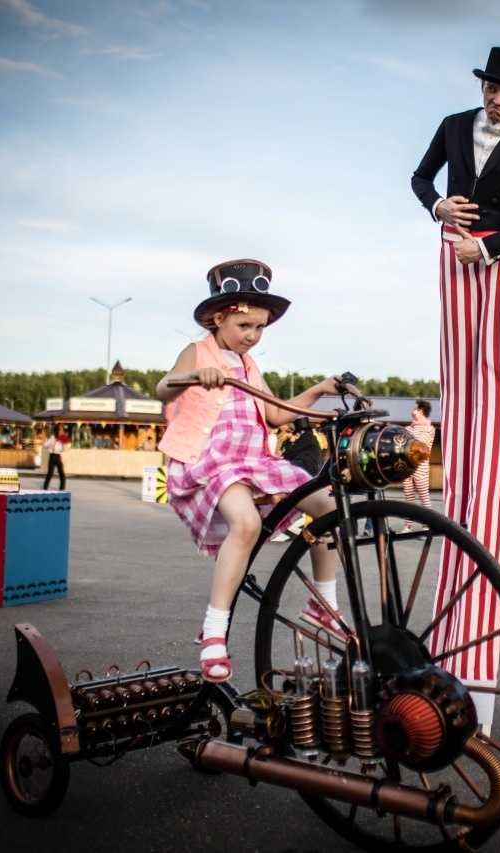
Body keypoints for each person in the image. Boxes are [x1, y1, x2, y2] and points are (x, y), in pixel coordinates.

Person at [410, 45, 500, 730]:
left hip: (499, 257)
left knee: (495, 366)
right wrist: (438, 206)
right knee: (455, 369)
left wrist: (492, 246)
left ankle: (495, 439)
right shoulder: (450, 124)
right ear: (484, 86)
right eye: (494, 88)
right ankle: (463, 432)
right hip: (450, 251)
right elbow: (417, 180)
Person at [156, 258, 342, 683]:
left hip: (254, 462)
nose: (252, 337)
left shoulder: (249, 366)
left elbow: (277, 416)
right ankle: (214, 635)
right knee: (245, 523)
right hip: (210, 460)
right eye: (245, 327)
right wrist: (192, 377)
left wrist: (318, 389)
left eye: (259, 329)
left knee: (328, 505)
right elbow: (162, 387)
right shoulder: (199, 351)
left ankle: (324, 605)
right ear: (219, 317)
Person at [400, 399, 434, 519]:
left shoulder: (430, 429)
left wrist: (406, 437)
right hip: (407, 467)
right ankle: (408, 526)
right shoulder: (408, 428)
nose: (412, 411)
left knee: (424, 497)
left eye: (415, 409)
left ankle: (429, 524)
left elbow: (419, 443)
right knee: (409, 497)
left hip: (421, 468)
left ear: (421, 411)